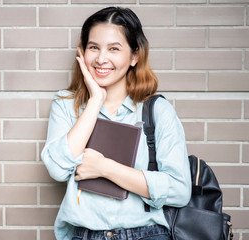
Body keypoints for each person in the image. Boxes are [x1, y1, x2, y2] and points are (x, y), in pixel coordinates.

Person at [41, 6, 191, 240]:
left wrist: (104, 168)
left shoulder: (156, 110)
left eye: (114, 49)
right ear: (82, 52)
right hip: (84, 235)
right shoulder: (66, 104)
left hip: (147, 234)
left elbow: (180, 190)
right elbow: (58, 169)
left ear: (134, 56)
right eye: (93, 47)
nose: (101, 59)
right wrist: (95, 101)